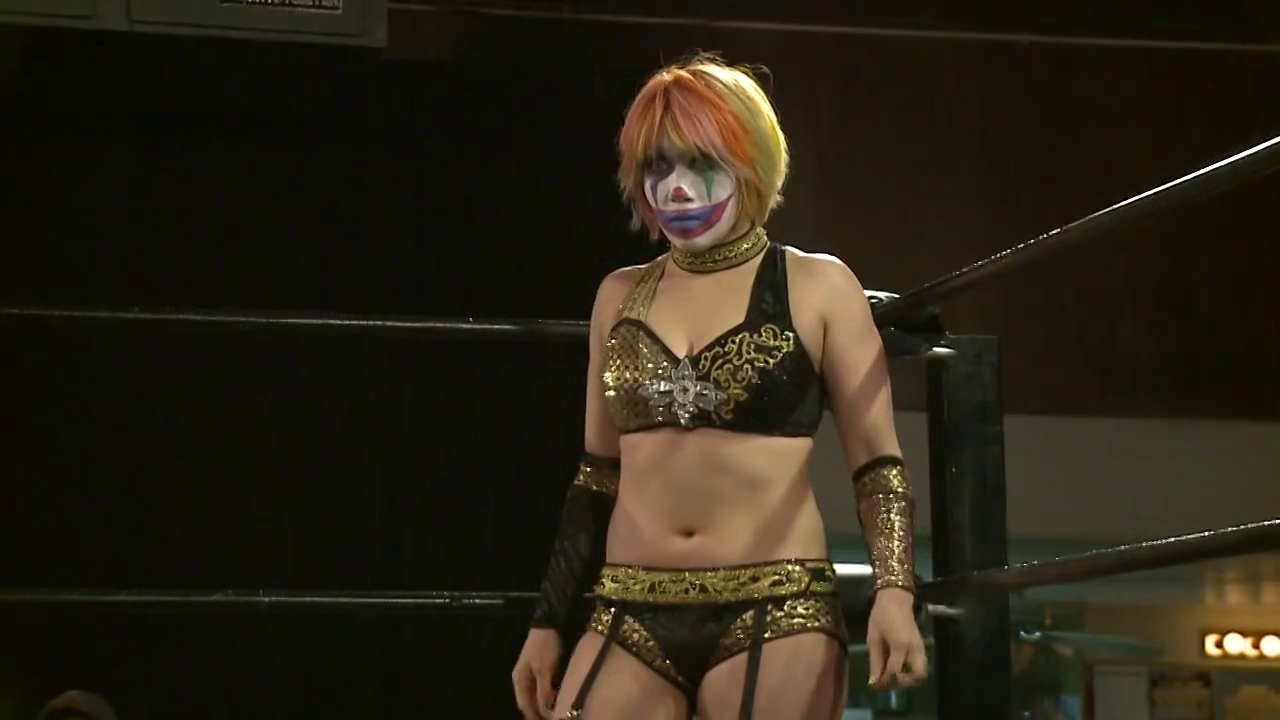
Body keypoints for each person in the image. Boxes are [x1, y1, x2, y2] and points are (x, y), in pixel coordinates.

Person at [511, 55, 927, 720]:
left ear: (750, 164)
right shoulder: (618, 295)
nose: (677, 188)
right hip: (630, 605)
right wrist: (547, 621)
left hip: (777, 603)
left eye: (702, 162)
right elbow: (597, 475)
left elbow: (877, 463)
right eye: (659, 165)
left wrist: (896, 593)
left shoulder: (817, 286)